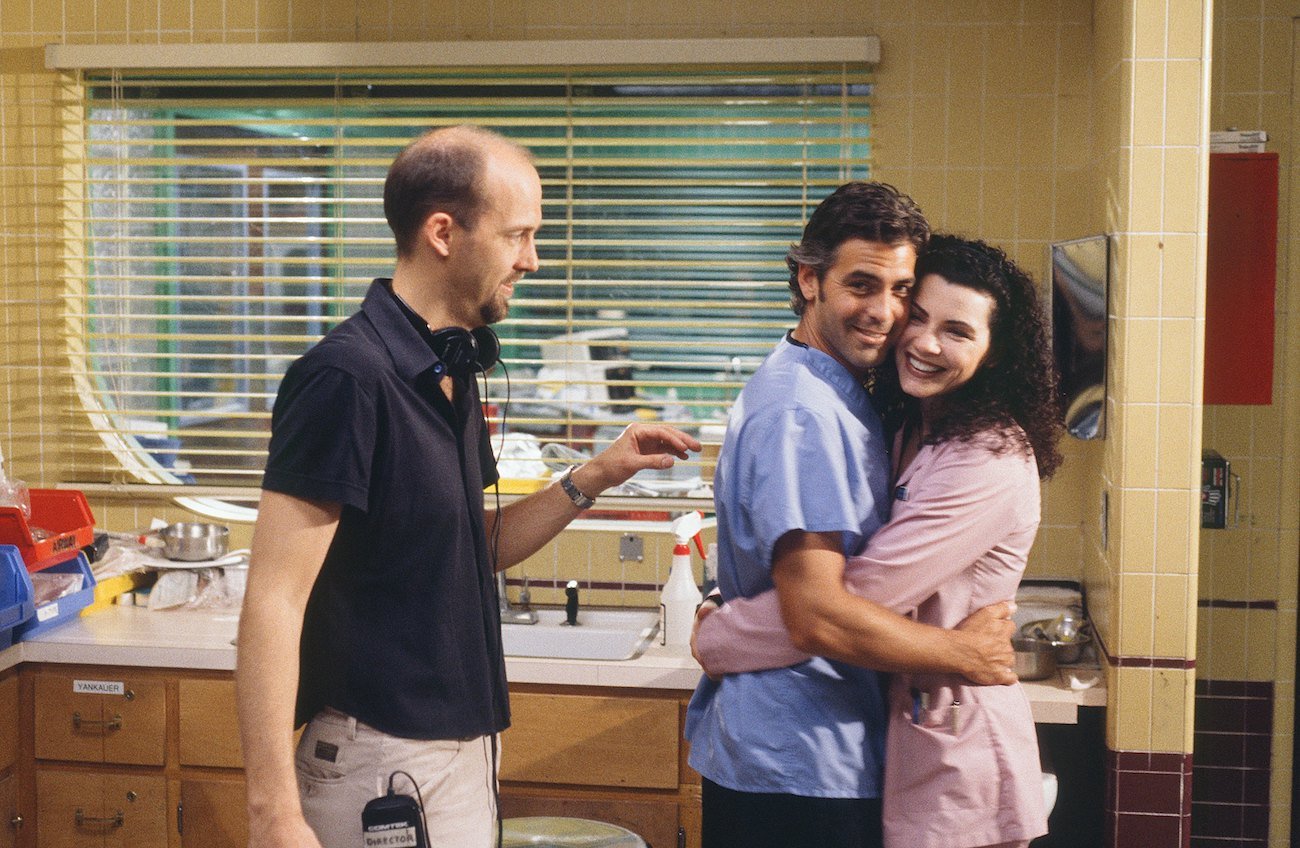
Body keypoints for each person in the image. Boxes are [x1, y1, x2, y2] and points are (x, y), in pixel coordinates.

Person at [235, 125, 699, 848]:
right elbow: (273, 598)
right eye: (518, 235)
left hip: (457, 757)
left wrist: (596, 475)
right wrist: (273, 813)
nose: (533, 261)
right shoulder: (346, 378)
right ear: (444, 232)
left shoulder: (450, 372)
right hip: (378, 764)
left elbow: (474, 547)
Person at [693, 234, 1065, 848]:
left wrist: (720, 633)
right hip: (905, 743)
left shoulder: (989, 459)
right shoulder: (910, 428)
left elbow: (856, 593)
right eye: (917, 316)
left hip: (958, 762)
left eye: (958, 331)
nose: (923, 341)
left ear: (995, 355)